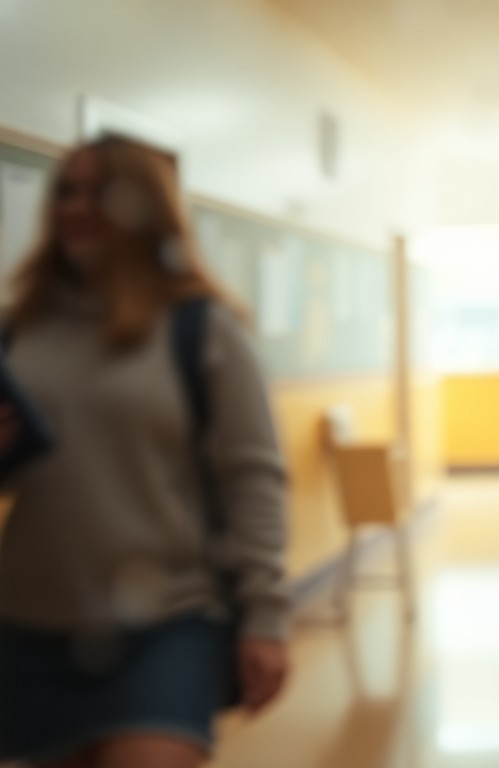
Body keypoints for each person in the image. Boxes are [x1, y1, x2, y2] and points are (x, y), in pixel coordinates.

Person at [0, 137, 290, 768]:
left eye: (101, 192)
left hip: (166, 619)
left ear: (145, 208)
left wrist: (266, 616)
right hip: (32, 623)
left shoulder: (201, 327)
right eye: (67, 192)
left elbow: (253, 477)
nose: (78, 207)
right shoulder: (19, 330)